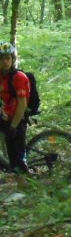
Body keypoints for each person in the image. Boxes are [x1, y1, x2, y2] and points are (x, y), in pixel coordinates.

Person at [0, 41, 30, 175]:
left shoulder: (19, 77)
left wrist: (13, 126)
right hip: (6, 116)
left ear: (12, 59)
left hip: (18, 119)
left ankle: (23, 188)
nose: (5, 61)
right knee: (11, 158)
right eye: (1, 58)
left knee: (17, 159)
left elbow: (22, 105)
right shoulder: (2, 76)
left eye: (8, 58)